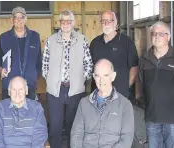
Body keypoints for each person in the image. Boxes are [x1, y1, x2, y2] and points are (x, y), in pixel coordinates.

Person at [42, 10, 93, 148]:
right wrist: (51, 81)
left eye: (68, 21)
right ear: (59, 23)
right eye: (62, 21)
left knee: (74, 128)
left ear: (73, 23)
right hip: (55, 92)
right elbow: (45, 65)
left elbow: (88, 63)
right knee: (55, 128)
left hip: (75, 91)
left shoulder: (82, 39)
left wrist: (81, 80)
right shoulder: (50, 41)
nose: (65, 24)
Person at [138, 21, 174, 148]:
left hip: (173, 120)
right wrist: (150, 103)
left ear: (168, 37)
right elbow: (140, 85)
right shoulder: (144, 60)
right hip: (152, 117)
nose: (157, 37)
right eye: (154, 34)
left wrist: (173, 106)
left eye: (161, 34)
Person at [71, 59, 134, 148]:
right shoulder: (84, 103)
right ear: (93, 76)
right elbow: (76, 134)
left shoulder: (125, 105)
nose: (101, 80)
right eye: (97, 76)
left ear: (113, 76)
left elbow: (126, 139)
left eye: (106, 75)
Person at [0, 6, 42, 100]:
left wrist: (34, 76)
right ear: (12, 19)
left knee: (28, 114)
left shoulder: (35, 37)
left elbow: (38, 61)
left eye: (22, 17)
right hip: (10, 87)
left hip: (29, 87)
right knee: (9, 114)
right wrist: (0, 70)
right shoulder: (4, 37)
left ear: (26, 19)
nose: (19, 20)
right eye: (16, 17)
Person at [90, 10, 139, 98]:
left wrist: (125, 88)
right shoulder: (94, 43)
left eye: (110, 21)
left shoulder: (126, 42)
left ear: (116, 23)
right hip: (98, 94)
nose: (106, 24)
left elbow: (134, 68)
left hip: (120, 95)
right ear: (101, 23)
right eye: (103, 21)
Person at [0, 76, 48, 147]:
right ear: (9, 92)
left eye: (21, 89)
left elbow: (40, 135)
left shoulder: (37, 108)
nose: (17, 93)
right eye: (14, 89)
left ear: (26, 91)